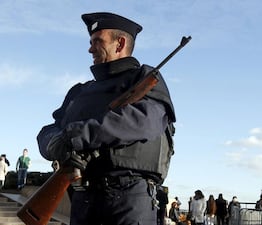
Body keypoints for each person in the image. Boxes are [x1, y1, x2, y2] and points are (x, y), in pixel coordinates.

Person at [36, 12, 176, 225]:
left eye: (97, 41)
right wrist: (56, 144)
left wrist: (75, 136)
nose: (90, 48)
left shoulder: (143, 80)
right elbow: (49, 131)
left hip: (129, 201)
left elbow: (144, 120)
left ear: (119, 44)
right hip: (83, 199)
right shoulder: (79, 92)